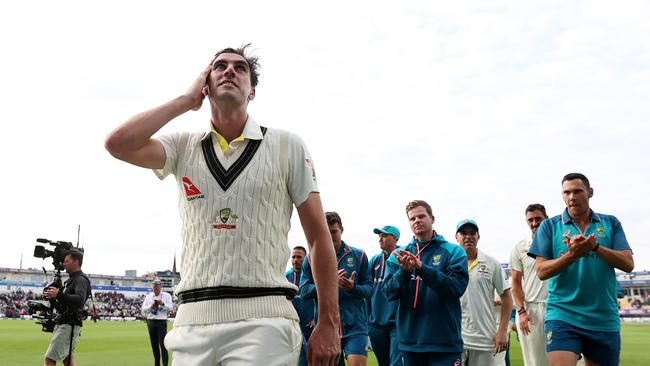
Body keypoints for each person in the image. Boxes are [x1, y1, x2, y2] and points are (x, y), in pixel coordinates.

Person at [105, 44, 340, 365]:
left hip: (264, 319)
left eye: (240, 68)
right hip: (191, 321)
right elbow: (118, 143)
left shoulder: (287, 145)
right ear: (205, 83)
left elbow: (317, 237)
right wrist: (186, 101)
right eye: (220, 66)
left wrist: (329, 320)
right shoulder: (183, 146)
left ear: (252, 91)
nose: (230, 70)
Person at [528, 173, 634, 366]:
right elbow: (542, 271)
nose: (572, 197)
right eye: (566, 192)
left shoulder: (610, 223)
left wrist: (595, 248)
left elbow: (628, 264)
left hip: (603, 317)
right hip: (563, 314)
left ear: (590, 192)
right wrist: (573, 254)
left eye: (577, 191)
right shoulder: (549, 226)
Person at [382, 200, 469, 366]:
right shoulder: (398, 255)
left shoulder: (453, 251)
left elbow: (455, 288)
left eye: (421, 216)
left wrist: (421, 268)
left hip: (445, 343)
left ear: (432, 218)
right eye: (412, 218)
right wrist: (404, 272)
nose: (417, 221)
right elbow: (388, 293)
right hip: (410, 343)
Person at [301, 211, 372, 366]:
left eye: (334, 231)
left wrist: (353, 288)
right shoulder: (310, 258)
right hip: (326, 328)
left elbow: (369, 290)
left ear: (342, 230)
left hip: (355, 327)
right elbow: (304, 291)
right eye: (326, 232)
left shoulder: (359, 255)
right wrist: (328, 283)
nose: (330, 236)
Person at [457, 219, 512, 366]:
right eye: (463, 233)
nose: (468, 236)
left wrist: (502, 331)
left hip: (485, 339)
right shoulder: (450, 263)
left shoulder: (491, 263)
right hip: (456, 338)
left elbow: (507, 297)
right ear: (456, 237)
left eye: (472, 233)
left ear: (478, 237)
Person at [510, 204, 549, 366]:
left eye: (538, 219)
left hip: (558, 307)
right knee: (535, 362)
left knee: (568, 359)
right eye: (530, 220)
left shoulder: (559, 242)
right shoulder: (520, 248)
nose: (534, 223)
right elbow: (516, 283)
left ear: (546, 218)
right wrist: (521, 311)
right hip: (530, 310)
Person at [42, 250, 91, 366]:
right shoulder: (73, 279)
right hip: (69, 324)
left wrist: (58, 294)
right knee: (67, 360)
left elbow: (79, 300)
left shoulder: (80, 279)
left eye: (66, 261)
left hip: (69, 325)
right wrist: (53, 297)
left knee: (49, 359)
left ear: (76, 262)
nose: (64, 264)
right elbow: (67, 305)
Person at [368, 225, 401, 366]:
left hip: (397, 323)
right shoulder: (374, 260)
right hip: (376, 324)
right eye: (379, 236)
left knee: (396, 363)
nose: (380, 239)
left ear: (395, 238)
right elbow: (367, 291)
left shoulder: (404, 257)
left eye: (384, 235)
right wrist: (368, 320)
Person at [285, 246, 315, 366]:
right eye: (293, 257)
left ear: (306, 258)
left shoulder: (312, 276)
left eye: (299, 257)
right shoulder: (285, 277)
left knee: (313, 356)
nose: (295, 260)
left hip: (311, 324)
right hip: (294, 324)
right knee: (301, 357)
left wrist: (315, 318)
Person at [142, 279, 174, 366]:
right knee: (154, 346)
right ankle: (157, 364)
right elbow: (144, 310)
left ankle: (165, 364)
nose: (155, 289)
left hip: (161, 322)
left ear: (160, 287)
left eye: (157, 287)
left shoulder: (166, 296)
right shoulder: (148, 296)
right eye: (154, 287)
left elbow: (171, 308)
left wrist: (162, 304)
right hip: (151, 322)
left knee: (163, 345)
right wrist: (151, 306)